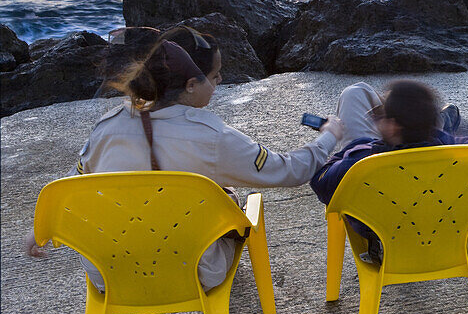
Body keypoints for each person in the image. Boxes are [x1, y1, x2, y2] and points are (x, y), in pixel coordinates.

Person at [26, 26, 346, 291]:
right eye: (215, 77)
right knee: (230, 202)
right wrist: (329, 136)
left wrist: (40, 228)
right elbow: (289, 171)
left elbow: (70, 183)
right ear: (191, 85)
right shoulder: (212, 137)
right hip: (194, 274)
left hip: (110, 276)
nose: (219, 82)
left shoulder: (106, 128)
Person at [310, 80, 468, 262]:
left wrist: (353, 147)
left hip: (387, 248)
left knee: (354, 92)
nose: (376, 118)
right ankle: (441, 123)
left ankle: (440, 122)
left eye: (381, 115)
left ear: (394, 126)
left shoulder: (361, 162)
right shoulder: (466, 155)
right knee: (357, 92)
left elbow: (320, 182)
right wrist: (442, 137)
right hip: (449, 244)